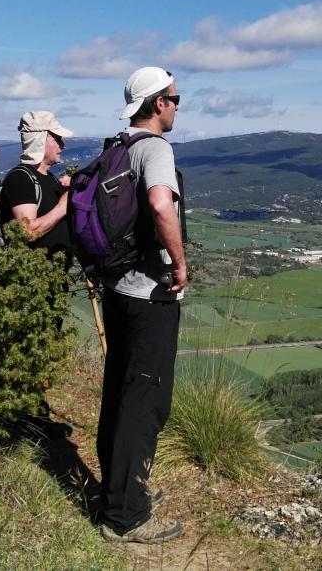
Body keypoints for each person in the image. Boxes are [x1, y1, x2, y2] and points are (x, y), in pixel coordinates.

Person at [96, 67, 187, 544]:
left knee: (119, 391)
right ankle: (126, 515)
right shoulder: (154, 148)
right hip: (150, 294)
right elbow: (158, 204)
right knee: (145, 399)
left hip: (116, 290)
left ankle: (115, 493)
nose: (177, 105)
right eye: (174, 97)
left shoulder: (116, 146)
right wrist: (180, 261)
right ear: (156, 103)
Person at [0, 111, 74, 265]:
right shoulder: (20, 178)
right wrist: (63, 206)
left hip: (54, 278)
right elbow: (27, 231)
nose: (62, 145)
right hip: (32, 280)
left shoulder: (49, 178)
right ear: (40, 140)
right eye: (57, 138)